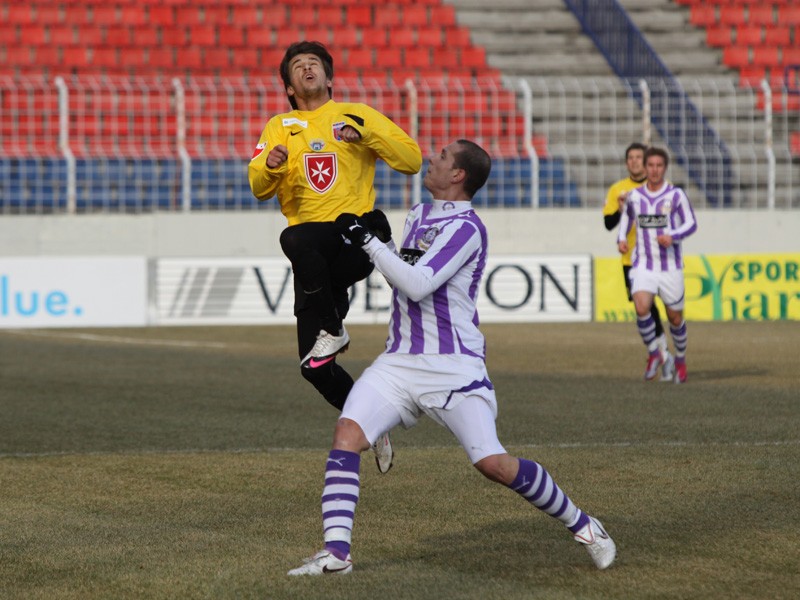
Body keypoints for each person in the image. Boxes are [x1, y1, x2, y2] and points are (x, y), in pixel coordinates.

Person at [287, 140, 616, 576]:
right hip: (400, 359)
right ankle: (336, 555)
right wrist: (385, 243)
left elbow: (419, 284)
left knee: (492, 463)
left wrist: (369, 243)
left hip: (452, 366)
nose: (432, 158)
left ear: (458, 174)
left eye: (442, 156)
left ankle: (585, 526)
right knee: (347, 433)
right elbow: (403, 275)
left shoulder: (467, 228)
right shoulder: (419, 215)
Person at [248, 42, 423, 473]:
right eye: (297, 66)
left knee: (293, 238)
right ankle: (373, 425)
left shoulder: (356, 114)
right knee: (314, 367)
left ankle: (334, 325)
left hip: (352, 238)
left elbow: (412, 160)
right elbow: (258, 187)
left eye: (314, 64)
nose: (307, 69)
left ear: (329, 78)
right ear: (289, 87)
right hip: (314, 260)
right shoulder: (279, 127)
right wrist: (271, 164)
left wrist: (366, 136)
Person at [617, 147, 697, 384]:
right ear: (645, 168)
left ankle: (680, 359)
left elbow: (691, 223)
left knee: (675, 319)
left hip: (670, 266)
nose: (654, 170)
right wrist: (621, 238)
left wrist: (673, 236)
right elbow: (627, 217)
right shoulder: (635, 196)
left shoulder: (676, 195)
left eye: (658, 166)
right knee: (641, 307)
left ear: (665, 168)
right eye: (650, 165)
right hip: (643, 264)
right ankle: (655, 352)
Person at [603, 142, 673, 380]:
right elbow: (608, 224)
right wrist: (622, 209)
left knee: (661, 308)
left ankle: (662, 354)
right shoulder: (618, 190)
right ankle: (662, 354)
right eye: (630, 158)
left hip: (659, 257)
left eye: (638, 157)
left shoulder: (659, 188)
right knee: (645, 308)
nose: (634, 161)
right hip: (631, 260)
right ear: (626, 163)